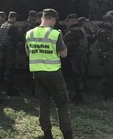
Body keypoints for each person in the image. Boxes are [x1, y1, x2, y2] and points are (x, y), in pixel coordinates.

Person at [25, 9, 73, 139]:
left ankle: (47, 135)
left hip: (37, 73)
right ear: (52, 19)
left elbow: (28, 53)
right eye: (54, 21)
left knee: (43, 104)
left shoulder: (29, 33)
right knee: (62, 104)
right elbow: (64, 54)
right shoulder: (55, 34)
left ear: (42, 18)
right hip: (53, 74)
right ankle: (67, 135)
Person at [63, 15, 89, 105]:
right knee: (78, 76)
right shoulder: (79, 28)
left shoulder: (75, 30)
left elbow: (64, 39)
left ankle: (79, 98)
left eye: (68, 21)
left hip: (78, 56)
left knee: (77, 76)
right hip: (79, 55)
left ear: (72, 21)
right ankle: (78, 96)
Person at [0, 11, 20, 96]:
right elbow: (16, 39)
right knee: (10, 70)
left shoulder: (2, 25)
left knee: (2, 69)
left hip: (2, 49)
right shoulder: (13, 27)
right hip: (10, 50)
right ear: (14, 18)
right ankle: (9, 90)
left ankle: (2, 87)